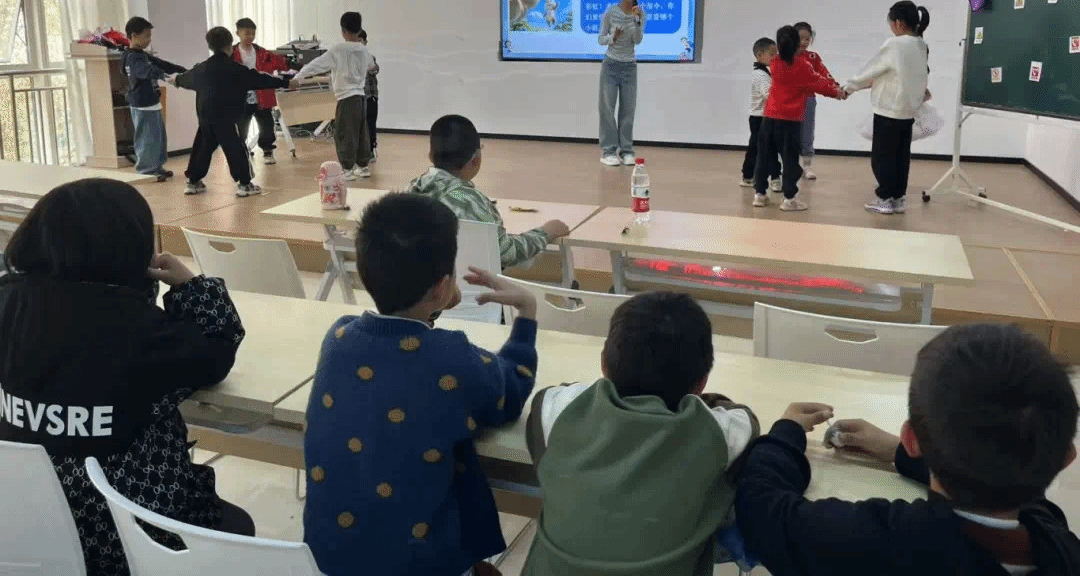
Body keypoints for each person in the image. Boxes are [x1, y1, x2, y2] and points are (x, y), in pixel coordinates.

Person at [0, 179, 253, 576]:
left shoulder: (8, 301)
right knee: (238, 526)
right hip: (129, 535)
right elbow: (216, 351)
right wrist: (190, 286)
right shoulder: (138, 328)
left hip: (24, 526)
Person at [303, 192, 539, 576]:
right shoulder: (452, 358)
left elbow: (405, 352)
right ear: (442, 288)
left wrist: (435, 303)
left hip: (330, 561)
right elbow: (512, 388)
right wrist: (527, 311)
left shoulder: (339, 337)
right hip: (420, 565)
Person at [735, 323, 1080, 576]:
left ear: (911, 439)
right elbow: (1025, 495)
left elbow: (763, 511)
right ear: (1066, 458)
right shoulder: (1062, 545)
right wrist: (896, 451)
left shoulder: (883, 543)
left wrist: (786, 432)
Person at [522, 292, 759, 576]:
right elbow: (745, 417)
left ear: (604, 364)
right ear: (701, 383)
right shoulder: (720, 434)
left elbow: (555, 395)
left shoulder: (557, 410)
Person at [408, 115, 569, 270]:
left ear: (430, 155)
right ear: (475, 159)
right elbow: (506, 253)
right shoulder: (469, 200)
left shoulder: (413, 189)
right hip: (466, 284)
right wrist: (545, 233)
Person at [174, 26, 290, 197]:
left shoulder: (202, 68)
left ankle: (193, 182)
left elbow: (183, 79)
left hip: (206, 118)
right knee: (236, 149)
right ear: (229, 46)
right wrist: (286, 83)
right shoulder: (236, 69)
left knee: (202, 149)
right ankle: (245, 184)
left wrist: (176, 80)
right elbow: (261, 79)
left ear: (210, 46)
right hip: (227, 119)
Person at [844, 1, 931, 215]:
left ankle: (885, 198)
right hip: (908, 111)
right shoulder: (921, 45)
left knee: (883, 157)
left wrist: (848, 87)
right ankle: (898, 198)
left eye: (891, 23)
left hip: (889, 109)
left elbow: (872, 70)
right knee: (901, 156)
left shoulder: (895, 44)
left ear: (899, 23)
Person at [754, 25, 845, 212]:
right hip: (790, 121)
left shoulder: (775, 63)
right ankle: (789, 199)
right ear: (796, 43)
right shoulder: (802, 66)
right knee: (790, 160)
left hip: (769, 118)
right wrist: (838, 92)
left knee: (763, 157)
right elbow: (819, 83)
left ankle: (760, 195)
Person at [290, 12, 373, 181]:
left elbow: (316, 65)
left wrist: (298, 77)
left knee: (344, 133)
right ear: (359, 30)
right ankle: (363, 166)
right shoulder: (364, 49)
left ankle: (347, 169)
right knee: (361, 132)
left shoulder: (338, 49)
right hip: (360, 97)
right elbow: (371, 66)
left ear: (343, 31)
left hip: (346, 98)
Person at [121, 16, 186, 182]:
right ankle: (146, 170)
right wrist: (166, 77)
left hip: (151, 102)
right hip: (142, 104)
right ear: (134, 35)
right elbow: (146, 71)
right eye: (147, 36)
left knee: (158, 137)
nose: (149, 40)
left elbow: (161, 64)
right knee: (147, 138)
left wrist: (183, 71)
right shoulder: (132, 58)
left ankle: (156, 167)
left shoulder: (140, 55)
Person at [598, 0, 645, 166]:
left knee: (628, 111)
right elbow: (601, 39)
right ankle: (608, 151)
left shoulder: (639, 13)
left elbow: (638, 40)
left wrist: (637, 22)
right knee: (607, 109)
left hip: (629, 67)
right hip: (611, 65)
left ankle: (626, 150)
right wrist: (613, 37)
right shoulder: (611, 12)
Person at [232, 17, 289, 166]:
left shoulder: (262, 52)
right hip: (241, 98)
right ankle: (240, 152)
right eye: (247, 33)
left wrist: (295, 67)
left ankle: (268, 151)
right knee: (241, 127)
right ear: (238, 33)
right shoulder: (231, 53)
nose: (250, 37)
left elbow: (281, 63)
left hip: (262, 96)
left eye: (253, 34)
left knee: (267, 126)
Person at [793, 21, 837, 181]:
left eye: (807, 39)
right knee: (789, 133)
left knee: (807, 132)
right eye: (801, 38)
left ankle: (807, 165)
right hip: (789, 100)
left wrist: (835, 87)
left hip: (808, 100)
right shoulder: (785, 57)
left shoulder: (812, 57)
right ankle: (790, 165)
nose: (804, 42)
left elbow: (824, 74)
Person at [741, 36, 781, 191]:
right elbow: (768, 94)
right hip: (760, 118)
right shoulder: (760, 75)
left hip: (764, 117)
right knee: (763, 148)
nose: (775, 57)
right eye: (772, 54)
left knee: (764, 147)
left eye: (776, 53)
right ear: (759, 55)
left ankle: (760, 176)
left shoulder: (766, 72)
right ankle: (771, 177)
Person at [360, 28, 380, 162]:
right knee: (359, 125)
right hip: (357, 96)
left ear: (365, 42)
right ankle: (360, 151)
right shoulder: (349, 59)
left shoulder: (369, 57)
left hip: (370, 95)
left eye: (361, 41)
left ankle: (371, 150)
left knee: (370, 123)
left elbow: (375, 70)